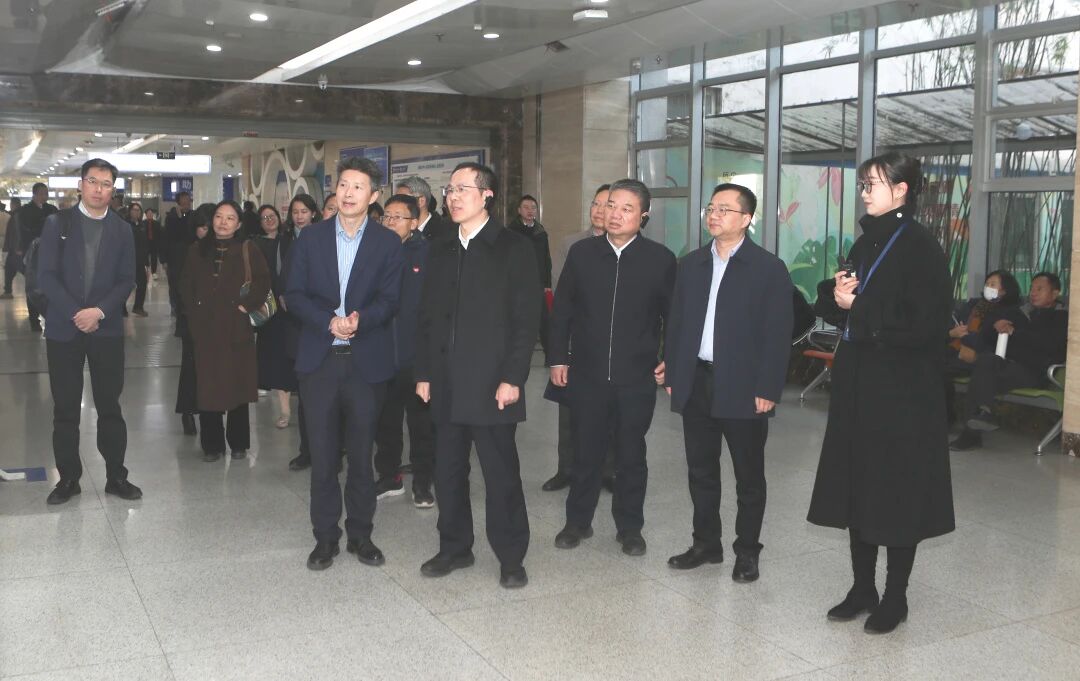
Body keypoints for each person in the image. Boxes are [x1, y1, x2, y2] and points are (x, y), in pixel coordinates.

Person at [807, 152, 955, 635]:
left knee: (897, 491)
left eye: (873, 184)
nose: (865, 192)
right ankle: (862, 588)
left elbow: (925, 324)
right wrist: (838, 294)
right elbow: (845, 307)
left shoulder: (921, 247)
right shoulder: (867, 240)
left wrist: (860, 304)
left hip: (903, 390)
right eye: (863, 184)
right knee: (858, 485)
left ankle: (895, 597)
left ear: (901, 189)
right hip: (859, 383)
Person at [660, 183, 794, 583]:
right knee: (701, 471)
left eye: (724, 209)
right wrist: (674, 371)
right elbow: (676, 323)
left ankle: (747, 551)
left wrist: (768, 388)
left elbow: (777, 334)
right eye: (711, 208)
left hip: (744, 386)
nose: (714, 215)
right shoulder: (691, 264)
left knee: (748, 476)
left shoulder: (768, 268)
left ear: (747, 219)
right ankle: (706, 544)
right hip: (697, 380)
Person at [415, 162, 540, 589]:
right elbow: (427, 317)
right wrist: (424, 372)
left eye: (462, 189)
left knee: (500, 475)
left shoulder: (513, 247)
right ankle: (454, 547)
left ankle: (511, 556)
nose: (452, 197)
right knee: (447, 471)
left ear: (487, 195)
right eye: (449, 190)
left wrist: (513, 377)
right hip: (446, 382)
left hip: (492, 384)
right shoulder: (441, 247)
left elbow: (526, 321)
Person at [285, 156, 403, 571]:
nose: (348, 193)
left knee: (361, 454)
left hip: (365, 364)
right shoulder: (311, 238)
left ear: (374, 196)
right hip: (319, 362)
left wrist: (359, 320)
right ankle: (325, 538)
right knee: (322, 455)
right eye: (343, 185)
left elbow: (391, 299)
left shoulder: (388, 243)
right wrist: (328, 321)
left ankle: (361, 534)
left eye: (358, 187)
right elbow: (294, 294)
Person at [548, 179, 675, 557]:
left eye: (626, 208)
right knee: (585, 451)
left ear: (644, 216)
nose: (614, 214)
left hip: (636, 377)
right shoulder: (583, 254)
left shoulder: (660, 259)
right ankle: (577, 522)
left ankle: (630, 528)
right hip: (586, 374)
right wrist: (558, 357)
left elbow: (674, 316)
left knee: (631, 454)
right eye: (610, 205)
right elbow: (562, 310)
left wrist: (670, 359)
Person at [39, 158, 141, 505]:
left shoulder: (122, 230)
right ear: (80, 185)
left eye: (106, 184)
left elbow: (126, 279)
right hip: (63, 329)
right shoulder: (57, 223)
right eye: (93, 181)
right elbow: (46, 276)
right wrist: (76, 313)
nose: (99, 189)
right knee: (66, 408)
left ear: (113, 190)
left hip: (106, 328)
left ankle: (116, 476)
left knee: (110, 405)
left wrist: (98, 311)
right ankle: (68, 478)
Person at [180, 200, 271, 463]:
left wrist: (245, 307)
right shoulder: (197, 250)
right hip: (205, 330)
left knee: (237, 386)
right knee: (208, 388)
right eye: (219, 216)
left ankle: (239, 443)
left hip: (236, 328)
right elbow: (185, 285)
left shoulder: (248, 249)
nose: (223, 222)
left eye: (230, 218)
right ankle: (212, 445)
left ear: (239, 224)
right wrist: (194, 314)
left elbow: (263, 282)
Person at [543, 184, 615, 492]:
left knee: (610, 412)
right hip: (575, 339)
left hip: (610, 343)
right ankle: (567, 469)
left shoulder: (626, 247)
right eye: (595, 204)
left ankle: (608, 471)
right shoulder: (571, 244)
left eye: (606, 205)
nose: (599, 210)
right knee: (569, 409)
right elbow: (562, 292)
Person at [950, 272, 1068, 451]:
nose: (1033, 293)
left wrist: (1015, 333)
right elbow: (988, 337)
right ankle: (983, 413)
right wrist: (996, 326)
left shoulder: (1061, 317)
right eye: (1031, 288)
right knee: (985, 363)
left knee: (983, 375)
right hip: (1011, 366)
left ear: (1055, 293)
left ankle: (973, 431)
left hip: (1036, 371)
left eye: (1039, 289)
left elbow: (1049, 344)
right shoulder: (1022, 312)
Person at [373, 194, 436, 507]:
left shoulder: (428, 254)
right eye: (387, 215)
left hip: (417, 357)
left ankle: (423, 483)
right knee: (385, 423)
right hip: (382, 353)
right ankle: (389, 476)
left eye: (398, 216)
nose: (390, 221)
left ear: (414, 222)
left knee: (421, 425)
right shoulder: (373, 252)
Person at [943, 270, 1021, 424]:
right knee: (932, 367)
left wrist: (967, 338)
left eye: (993, 284)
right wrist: (953, 333)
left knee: (940, 370)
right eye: (987, 284)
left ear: (1004, 290)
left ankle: (953, 421)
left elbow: (991, 341)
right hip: (957, 351)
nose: (988, 287)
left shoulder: (1008, 312)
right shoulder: (973, 305)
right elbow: (953, 324)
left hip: (982, 358)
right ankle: (945, 417)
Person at [254, 204, 297, 428]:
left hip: (290, 307)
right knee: (277, 360)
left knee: (292, 356)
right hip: (269, 309)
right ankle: (285, 410)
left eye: (272, 216)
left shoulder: (289, 241)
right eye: (264, 218)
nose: (269, 220)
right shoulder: (255, 245)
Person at [175, 207, 213, 436]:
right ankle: (187, 411)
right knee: (191, 368)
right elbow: (180, 287)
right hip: (192, 319)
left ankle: (210, 411)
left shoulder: (223, 249)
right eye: (202, 227)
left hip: (216, 321)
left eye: (210, 227)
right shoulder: (185, 250)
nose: (206, 232)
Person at [508, 194, 553, 358]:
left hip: (538, 283)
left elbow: (546, 258)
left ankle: (550, 355)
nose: (530, 211)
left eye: (533, 208)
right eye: (526, 207)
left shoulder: (541, 232)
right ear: (519, 210)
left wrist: (547, 283)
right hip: (518, 284)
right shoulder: (511, 231)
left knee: (544, 321)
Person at [16, 183, 58, 330]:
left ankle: (51, 315)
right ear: (34, 194)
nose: (44, 196)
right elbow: (24, 231)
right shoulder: (25, 211)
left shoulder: (51, 209)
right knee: (33, 286)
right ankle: (34, 319)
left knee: (51, 284)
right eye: (41, 193)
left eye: (46, 193)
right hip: (32, 253)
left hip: (51, 252)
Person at [165, 191, 195, 315]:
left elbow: (191, 235)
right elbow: (168, 237)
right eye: (184, 200)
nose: (186, 203)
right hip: (175, 257)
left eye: (188, 200)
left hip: (190, 256)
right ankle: (175, 305)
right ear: (178, 202)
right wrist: (164, 259)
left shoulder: (193, 216)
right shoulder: (171, 217)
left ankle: (186, 305)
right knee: (175, 282)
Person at [395, 175, 452, 240]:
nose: (396, 206)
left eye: (403, 200)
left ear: (421, 201)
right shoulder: (397, 230)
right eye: (395, 200)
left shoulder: (445, 232)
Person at [127, 202, 150, 317]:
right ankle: (121, 307)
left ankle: (138, 307)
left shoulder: (142, 225)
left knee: (142, 284)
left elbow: (145, 244)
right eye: (134, 210)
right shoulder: (126, 225)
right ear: (130, 211)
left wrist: (147, 263)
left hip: (140, 261)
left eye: (138, 210)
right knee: (126, 285)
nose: (136, 212)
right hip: (128, 260)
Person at [1, 197, 22, 299]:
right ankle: (7, 291)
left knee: (10, 269)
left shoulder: (15, 215)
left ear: (13, 204)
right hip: (18, 247)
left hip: (15, 248)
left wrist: (9, 247)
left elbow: (13, 232)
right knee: (13, 269)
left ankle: (8, 291)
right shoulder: (13, 215)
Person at [144, 207, 161, 279]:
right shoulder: (143, 223)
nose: (150, 215)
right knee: (145, 257)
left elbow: (159, 234)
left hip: (154, 243)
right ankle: (146, 271)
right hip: (146, 243)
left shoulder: (157, 223)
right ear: (146, 215)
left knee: (154, 258)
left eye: (151, 213)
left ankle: (154, 272)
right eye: (148, 213)